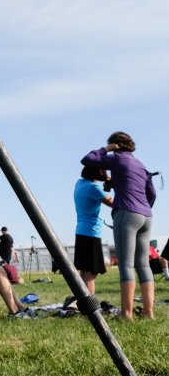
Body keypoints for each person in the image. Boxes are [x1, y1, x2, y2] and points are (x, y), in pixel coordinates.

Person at [82, 132, 156, 319]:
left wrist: (107, 149)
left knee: (126, 265)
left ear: (116, 145)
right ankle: (149, 312)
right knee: (143, 265)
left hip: (126, 213)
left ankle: (126, 313)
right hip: (146, 215)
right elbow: (151, 192)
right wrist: (141, 207)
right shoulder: (140, 164)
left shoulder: (117, 158)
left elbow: (88, 159)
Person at [73, 166, 114, 295]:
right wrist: (117, 184)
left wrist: (106, 182)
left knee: (84, 269)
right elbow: (113, 202)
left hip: (81, 230)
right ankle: (91, 308)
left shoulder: (79, 183)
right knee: (91, 271)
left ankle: (81, 301)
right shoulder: (93, 187)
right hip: (91, 232)